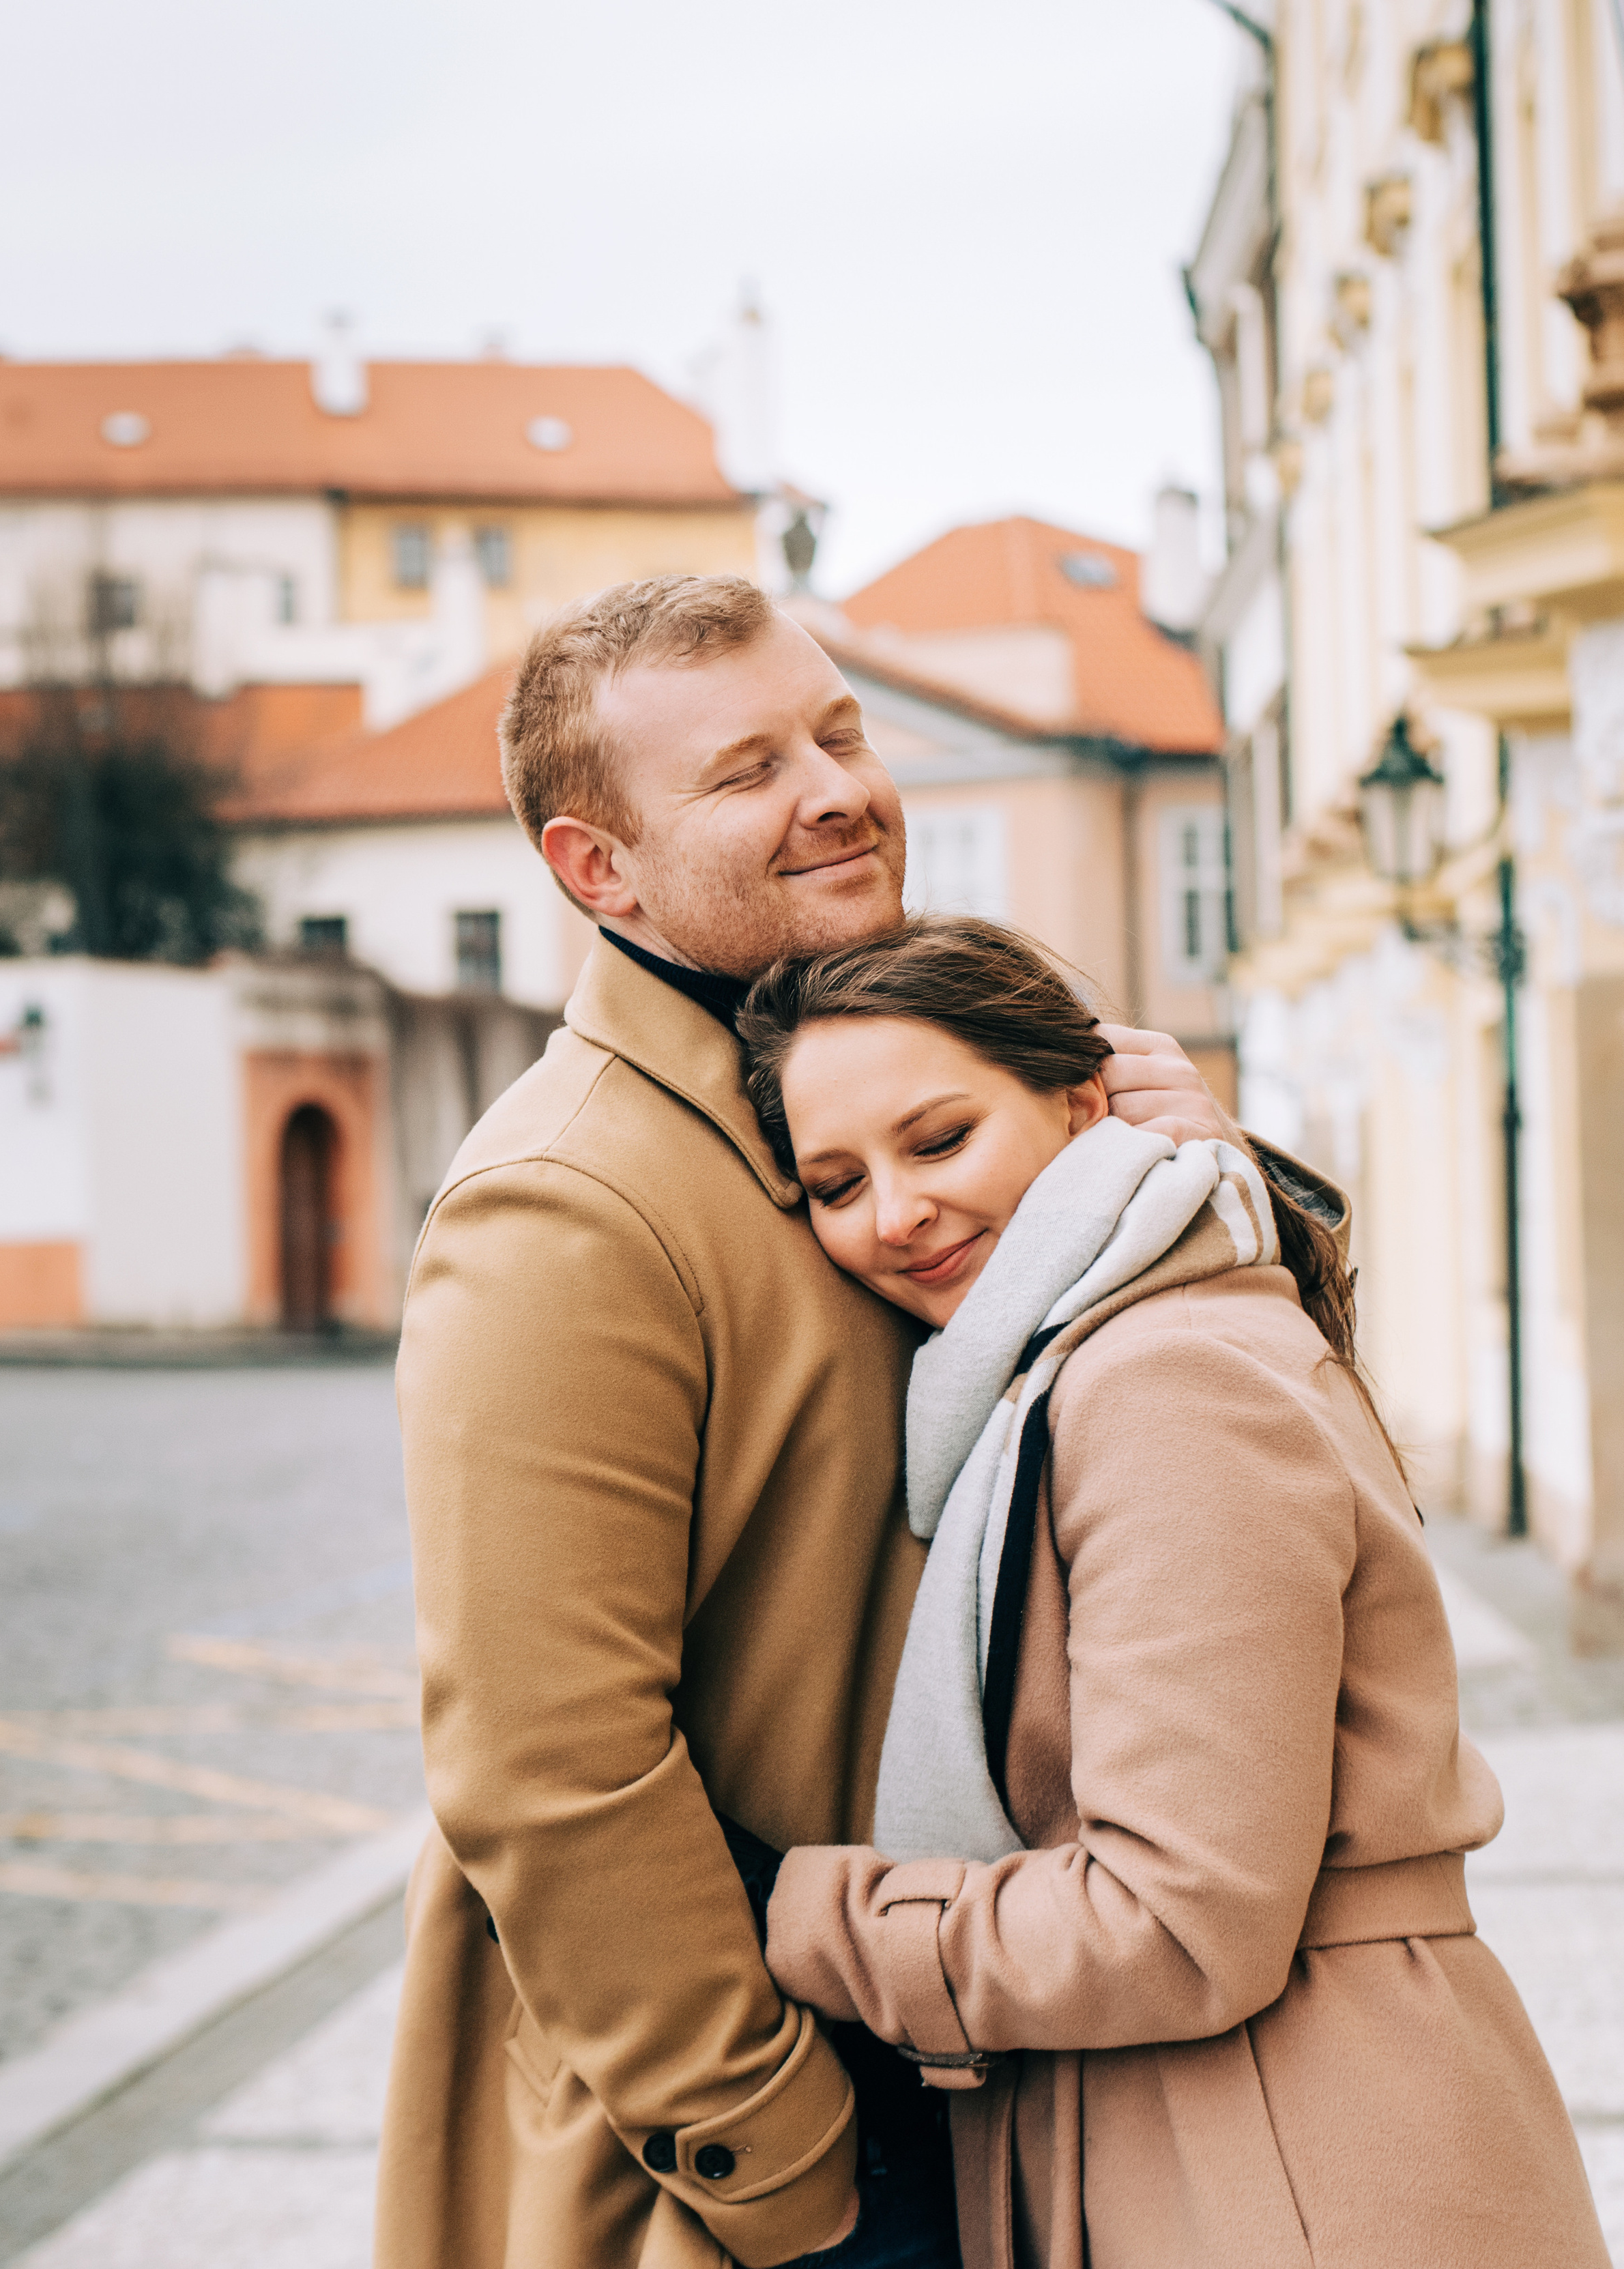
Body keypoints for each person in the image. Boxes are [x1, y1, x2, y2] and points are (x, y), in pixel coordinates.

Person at [374, 577, 1317, 2269]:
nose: (837, 788)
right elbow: (549, 1761)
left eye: (838, 732)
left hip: (989, 2039)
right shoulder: (564, 1205)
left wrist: (1205, 1201)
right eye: (744, 771)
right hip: (759, 2151)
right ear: (600, 870)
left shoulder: (900, 1087)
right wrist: (798, 2171)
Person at [735, 914, 1609, 2269]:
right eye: (834, 1184)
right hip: (1228, 2130)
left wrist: (800, 1912)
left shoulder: (1159, 1378)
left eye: (939, 1139)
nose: (893, 1214)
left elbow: (1177, 1918)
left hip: (1295, 2152)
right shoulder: (1085, 1350)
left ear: (1082, 1103)